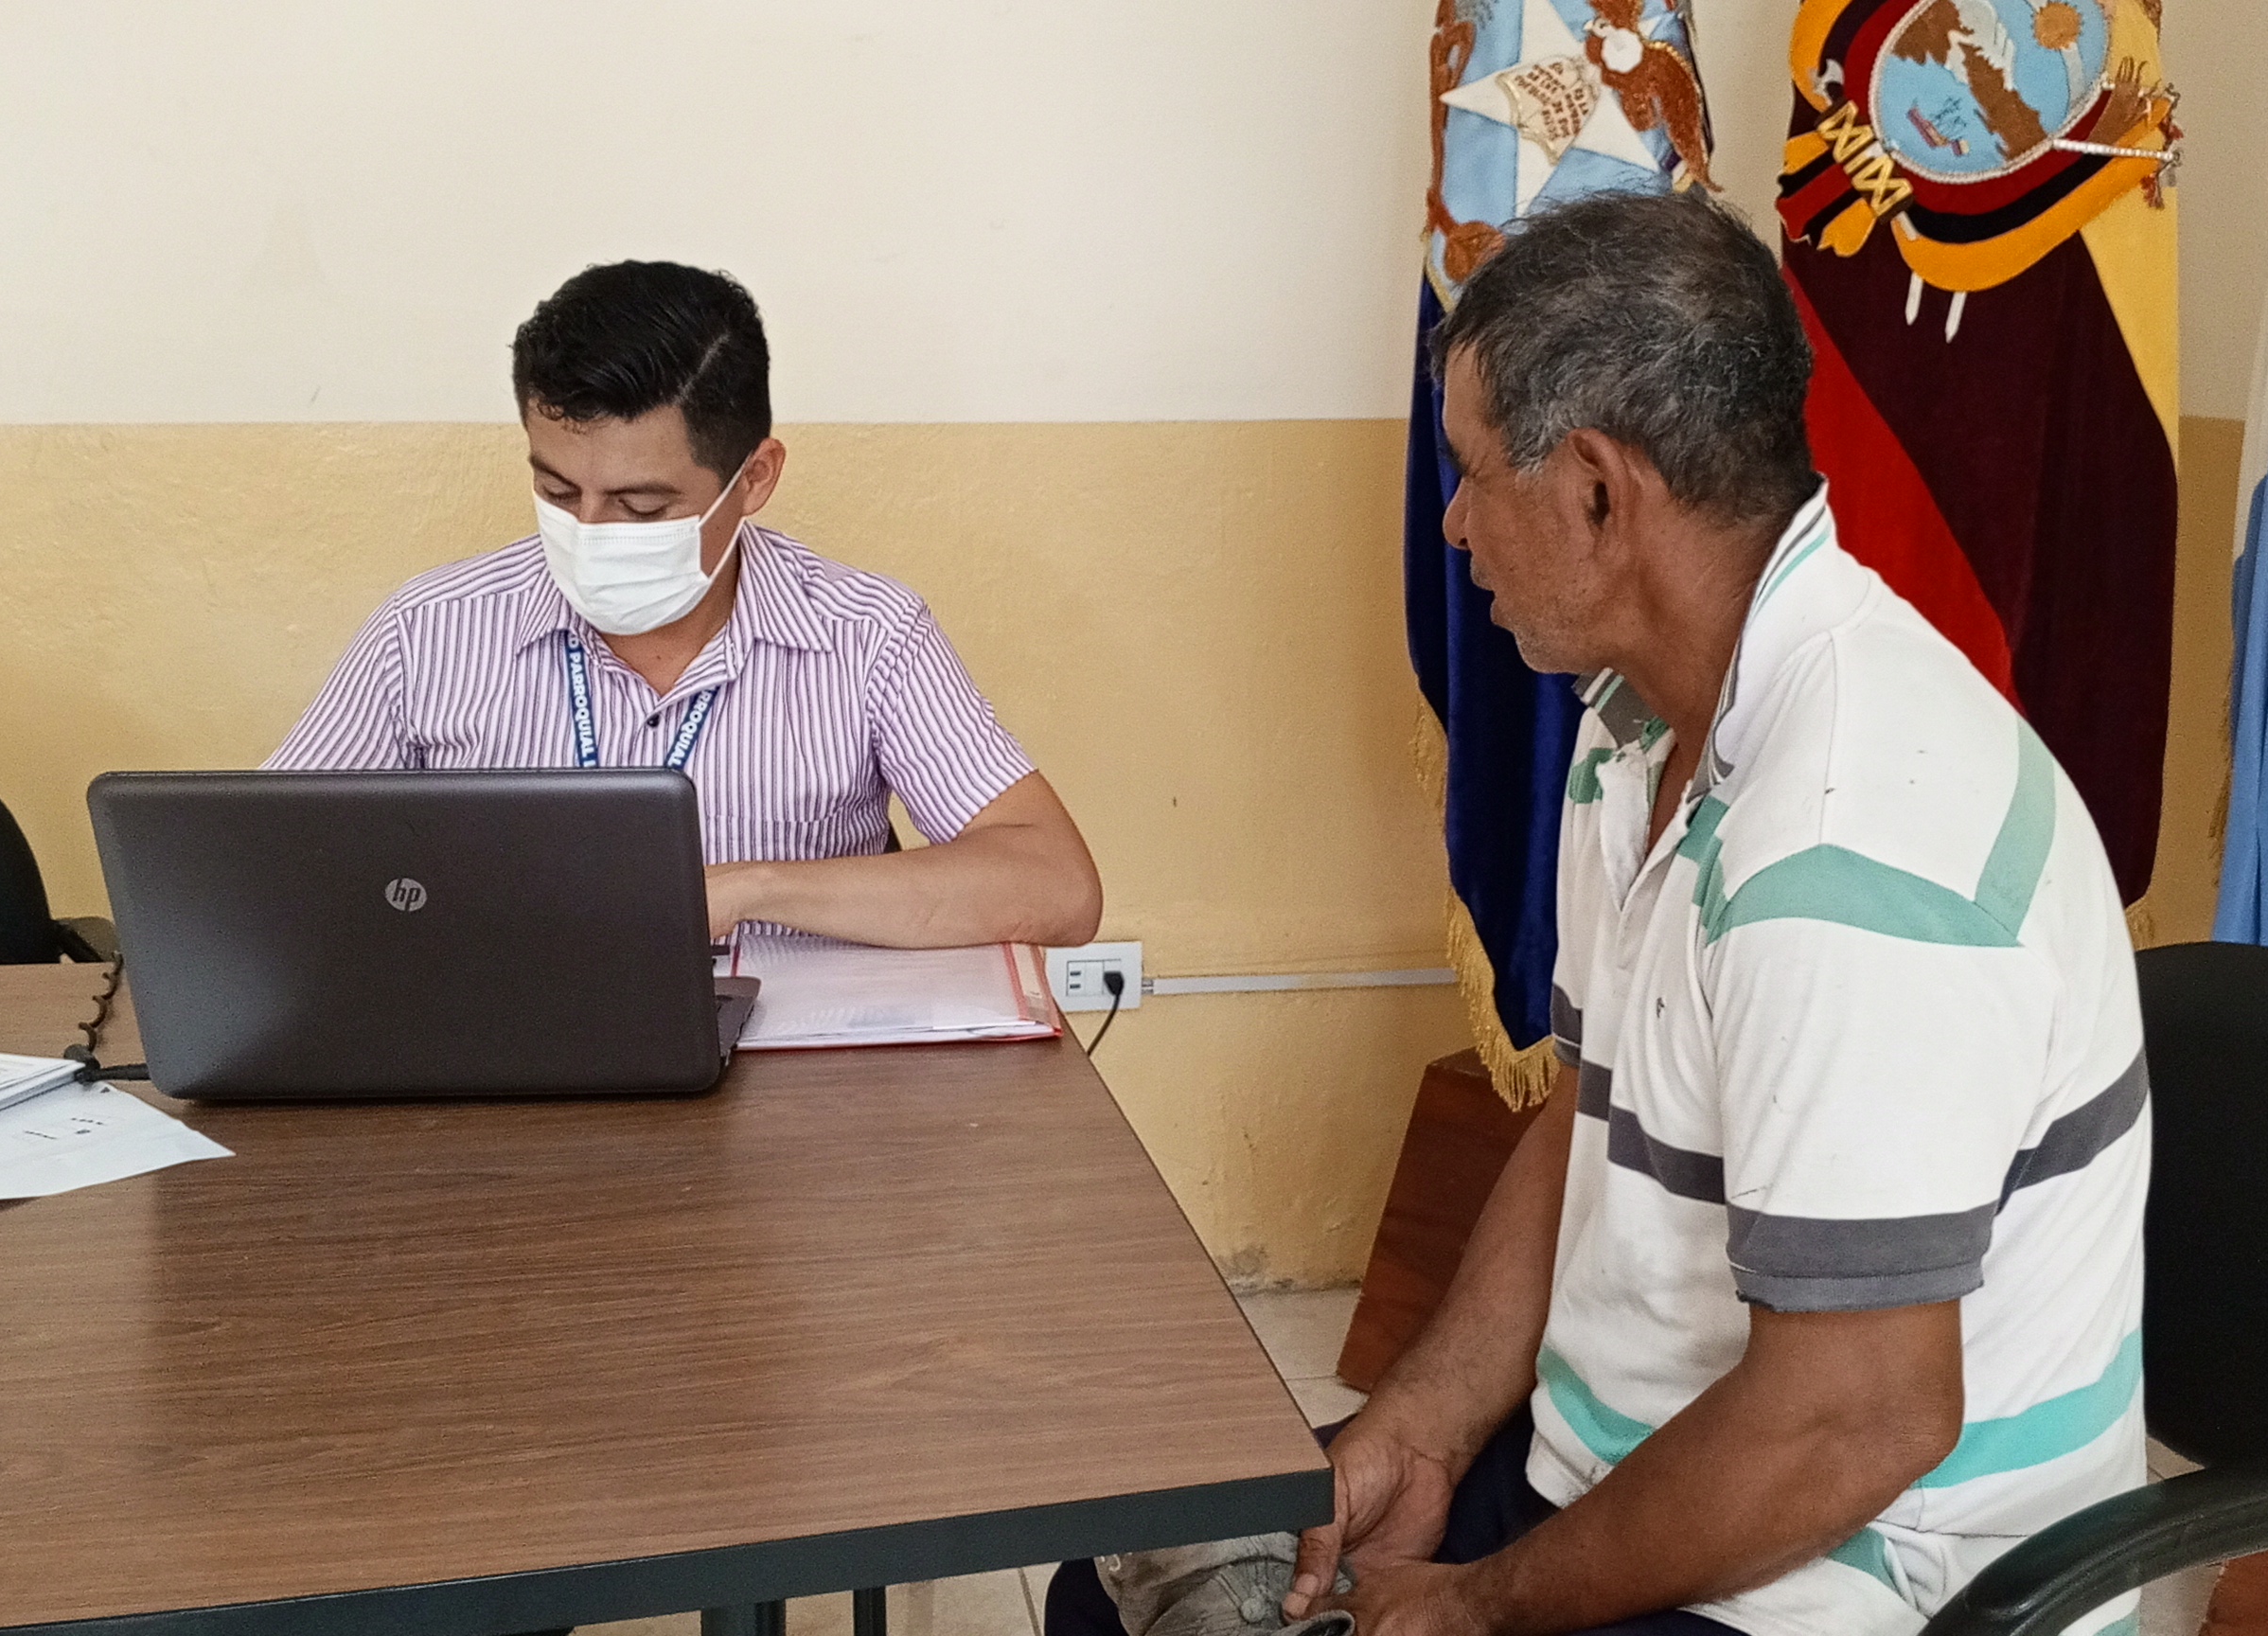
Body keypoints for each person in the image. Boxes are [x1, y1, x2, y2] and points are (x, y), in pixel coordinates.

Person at [1054, 194, 2149, 1636]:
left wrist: (1479, 1607)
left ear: (1594, 492)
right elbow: (1585, 1116)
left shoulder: (1851, 844)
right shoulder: (1634, 728)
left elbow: (1854, 1422)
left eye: (1468, 473)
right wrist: (1424, 1430)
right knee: (1117, 1591)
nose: (1453, 525)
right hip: (1634, 1479)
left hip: (1856, 1580)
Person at [266, 261, 1103, 949]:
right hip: (499, 1057)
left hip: (786, 1069)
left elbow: (1056, 887)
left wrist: (749, 890)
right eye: (557, 490)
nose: (589, 532)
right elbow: (264, 875)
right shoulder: (428, 630)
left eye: (641, 507)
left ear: (754, 479)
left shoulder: (867, 634)